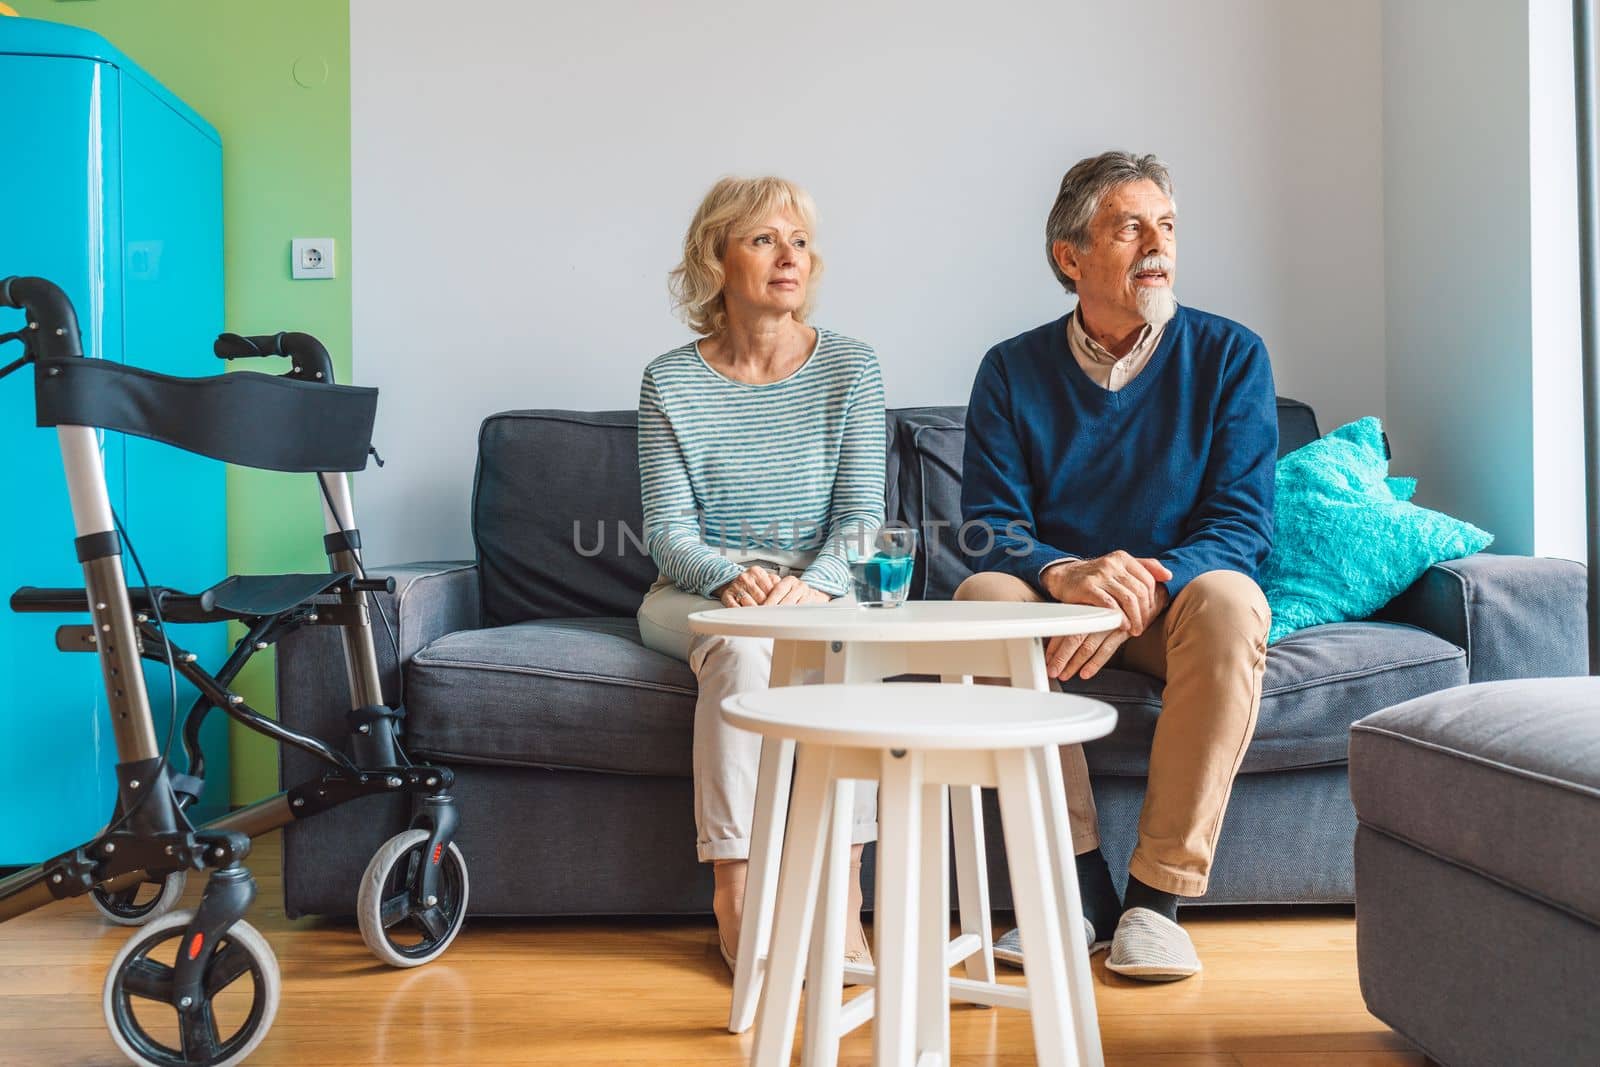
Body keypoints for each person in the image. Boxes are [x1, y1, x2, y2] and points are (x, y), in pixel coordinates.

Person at [957, 151, 1276, 981]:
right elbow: (989, 529)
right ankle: (1077, 890)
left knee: (1236, 599)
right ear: (1071, 257)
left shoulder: (1231, 356)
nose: (1156, 244)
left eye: (1165, 225)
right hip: (1056, 611)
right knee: (981, 596)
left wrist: (1136, 590)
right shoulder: (1010, 369)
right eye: (1129, 226)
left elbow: (1241, 527)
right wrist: (1066, 577)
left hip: (1171, 607)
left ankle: (1155, 903)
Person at [635, 176, 886, 972]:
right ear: (716, 258)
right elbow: (667, 531)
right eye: (765, 239)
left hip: (814, 589)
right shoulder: (669, 380)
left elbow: (862, 516)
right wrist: (727, 577)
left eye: (801, 241)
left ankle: (843, 900)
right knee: (745, 647)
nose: (791, 257)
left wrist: (813, 585)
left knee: (840, 654)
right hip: (696, 592)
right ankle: (737, 897)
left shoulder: (851, 367)